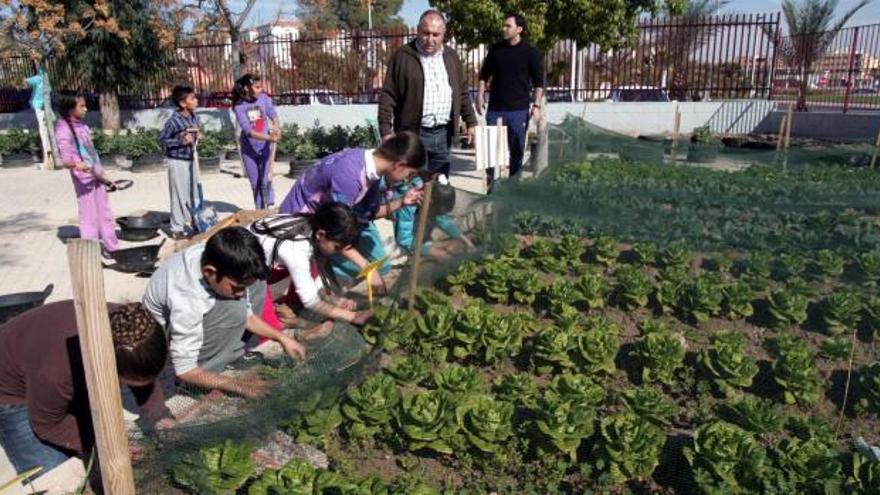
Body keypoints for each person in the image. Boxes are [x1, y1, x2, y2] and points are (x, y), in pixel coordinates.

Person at [0, 302, 172, 478]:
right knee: (55, 473)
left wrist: (160, 416)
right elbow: (48, 425)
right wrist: (108, 447)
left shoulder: (131, 327)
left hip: (52, 375)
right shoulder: (56, 374)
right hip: (12, 393)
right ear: (108, 367)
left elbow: (143, 377)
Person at [142, 227, 315, 399]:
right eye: (236, 287)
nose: (241, 293)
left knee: (255, 283)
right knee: (233, 307)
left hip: (193, 312)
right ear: (210, 272)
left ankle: (229, 353)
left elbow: (248, 315)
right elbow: (184, 370)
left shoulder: (218, 257)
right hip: (162, 340)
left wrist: (283, 338)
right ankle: (205, 373)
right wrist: (242, 387)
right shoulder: (187, 298)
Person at [277, 131, 427, 292]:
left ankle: (323, 280)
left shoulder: (373, 171)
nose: (406, 180)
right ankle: (319, 281)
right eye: (409, 174)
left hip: (326, 221)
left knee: (379, 264)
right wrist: (368, 269)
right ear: (399, 164)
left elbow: (369, 214)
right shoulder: (351, 176)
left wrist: (402, 202)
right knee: (320, 281)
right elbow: (335, 230)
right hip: (299, 222)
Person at [378, 9, 478, 176]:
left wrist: (471, 122)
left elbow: (461, 92)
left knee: (440, 185)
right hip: (415, 135)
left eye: (436, 35)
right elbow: (388, 96)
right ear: (417, 30)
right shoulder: (402, 56)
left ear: (443, 34)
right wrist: (386, 132)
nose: (430, 39)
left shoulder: (451, 57)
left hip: (443, 135)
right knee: (414, 186)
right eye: (426, 33)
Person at [250, 202, 373, 325]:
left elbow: (313, 274)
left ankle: (292, 305)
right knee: (270, 326)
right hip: (245, 270)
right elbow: (310, 301)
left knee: (306, 271)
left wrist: (334, 300)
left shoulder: (312, 226)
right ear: (321, 234)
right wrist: (352, 316)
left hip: (265, 264)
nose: (338, 252)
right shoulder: (296, 247)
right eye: (337, 247)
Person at [477, 12, 545, 180]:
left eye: (508, 26)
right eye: (504, 25)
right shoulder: (495, 50)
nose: (504, 28)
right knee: (490, 156)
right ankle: (492, 187)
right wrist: (480, 96)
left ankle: (513, 185)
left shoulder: (530, 53)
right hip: (494, 109)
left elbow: (539, 83)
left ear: (519, 29)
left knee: (516, 152)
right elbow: (484, 76)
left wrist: (536, 106)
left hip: (518, 111)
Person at [54, 92, 119, 257]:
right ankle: (90, 252)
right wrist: (77, 164)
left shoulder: (82, 126)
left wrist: (102, 173)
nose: (86, 109)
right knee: (89, 216)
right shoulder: (63, 128)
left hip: (96, 176)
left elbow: (90, 152)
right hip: (83, 181)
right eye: (81, 106)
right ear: (70, 109)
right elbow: (64, 160)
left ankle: (112, 247)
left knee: (105, 212)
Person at [392, 174, 473, 260]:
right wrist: (435, 252)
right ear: (429, 202)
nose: (438, 215)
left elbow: (444, 222)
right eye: (437, 212)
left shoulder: (432, 195)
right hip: (388, 225)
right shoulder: (409, 203)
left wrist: (467, 242)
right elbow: (404, 239)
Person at [158, 85, 201, 240]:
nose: (196, 100)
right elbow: (161, 140)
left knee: (195, 193)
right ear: (183, 103)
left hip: (192, 160)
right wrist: (180, 140)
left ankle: (198, 223)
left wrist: (198, 136)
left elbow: (195, 133)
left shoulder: (194, 117)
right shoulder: (174, 121)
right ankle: (177, 228)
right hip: (177, 161)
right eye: (192, 98)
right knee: (179, 194)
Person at [232, 74, 281, 209]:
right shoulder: (239, 106)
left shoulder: (264, 99)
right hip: (249, 150)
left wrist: (276, 126)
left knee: (265, 181)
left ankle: (267, 206)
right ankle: (259, 212)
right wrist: (269, 138)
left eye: (261, 87)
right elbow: (248, 131)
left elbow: (272, 113)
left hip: (265, 148)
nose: (260, 90)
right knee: (255, 184)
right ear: (247, 88)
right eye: (257, 87)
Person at [25, 69, 52, 167]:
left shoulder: (39, 78)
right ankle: (47, 156)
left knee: (43, 131)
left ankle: (47, 157)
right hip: (45, 106)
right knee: (46, 130)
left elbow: (25, 81)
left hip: (39, 106)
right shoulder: (47, 79)